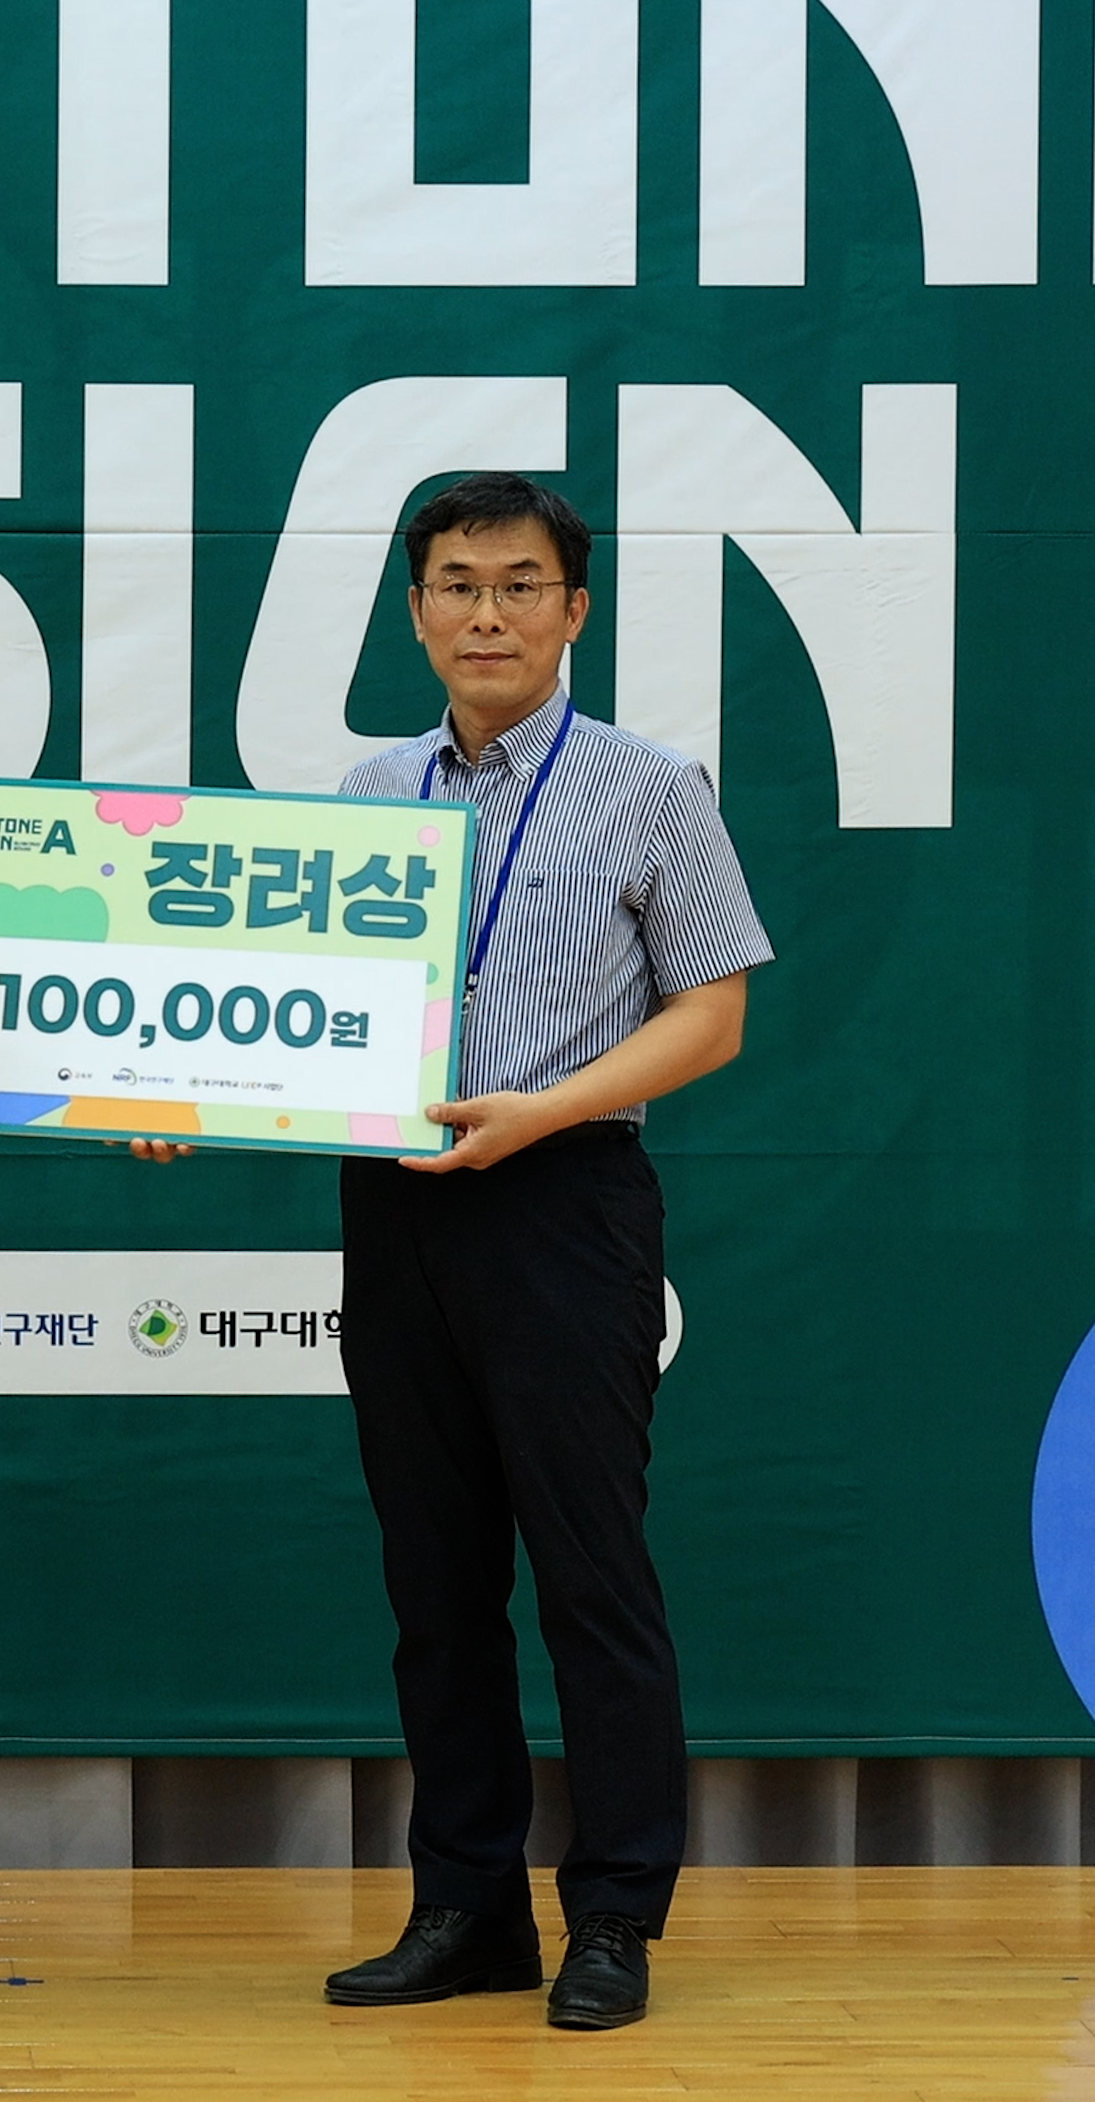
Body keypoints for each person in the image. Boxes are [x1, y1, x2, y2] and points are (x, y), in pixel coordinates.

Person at [316, 472, 772, 2031]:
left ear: (575, 610)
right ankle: (465, 1909)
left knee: (591, 1574)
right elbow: (292, 1014)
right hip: (396, 1207)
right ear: (417, 611)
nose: (487, 613)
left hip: (566, 1198)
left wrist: (546, 1110)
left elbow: (714, 1013)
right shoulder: (367, 796)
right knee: (435, 1581)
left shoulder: (650, 787)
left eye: (520, 584)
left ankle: (617, 1915)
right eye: (457, 584)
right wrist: (176, 1095)